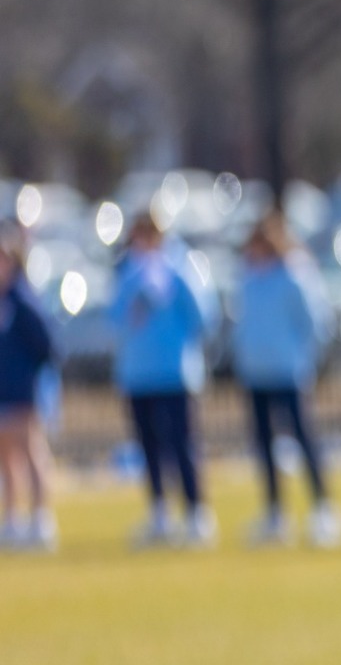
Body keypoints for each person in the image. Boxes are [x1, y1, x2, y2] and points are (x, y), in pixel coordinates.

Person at [233, 210, 341, 549]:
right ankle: (275, 512)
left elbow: (314, 322)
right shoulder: (248, 277)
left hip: (288, 370)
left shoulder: (295, 273)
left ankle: (323, 507)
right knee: (264, 445)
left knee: (304, 439)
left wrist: (305, 358)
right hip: (256, 372)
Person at [110, 213, 215, 548]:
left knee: (182, 444)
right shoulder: (128, 270)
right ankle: (159, 512)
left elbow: (202, 315)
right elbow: (114, 317)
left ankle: (196, 512)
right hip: (138, 374)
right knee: (148, 447)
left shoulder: (180, 266)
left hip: (173, 372)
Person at [0, 220, 55, 551]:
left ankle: (41, 518)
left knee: (31, 453)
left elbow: (46, 345)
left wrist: (27, 376)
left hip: (22, 393)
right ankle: (12, 518)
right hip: (2, 391)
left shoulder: (22, 299)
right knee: (5, 458)